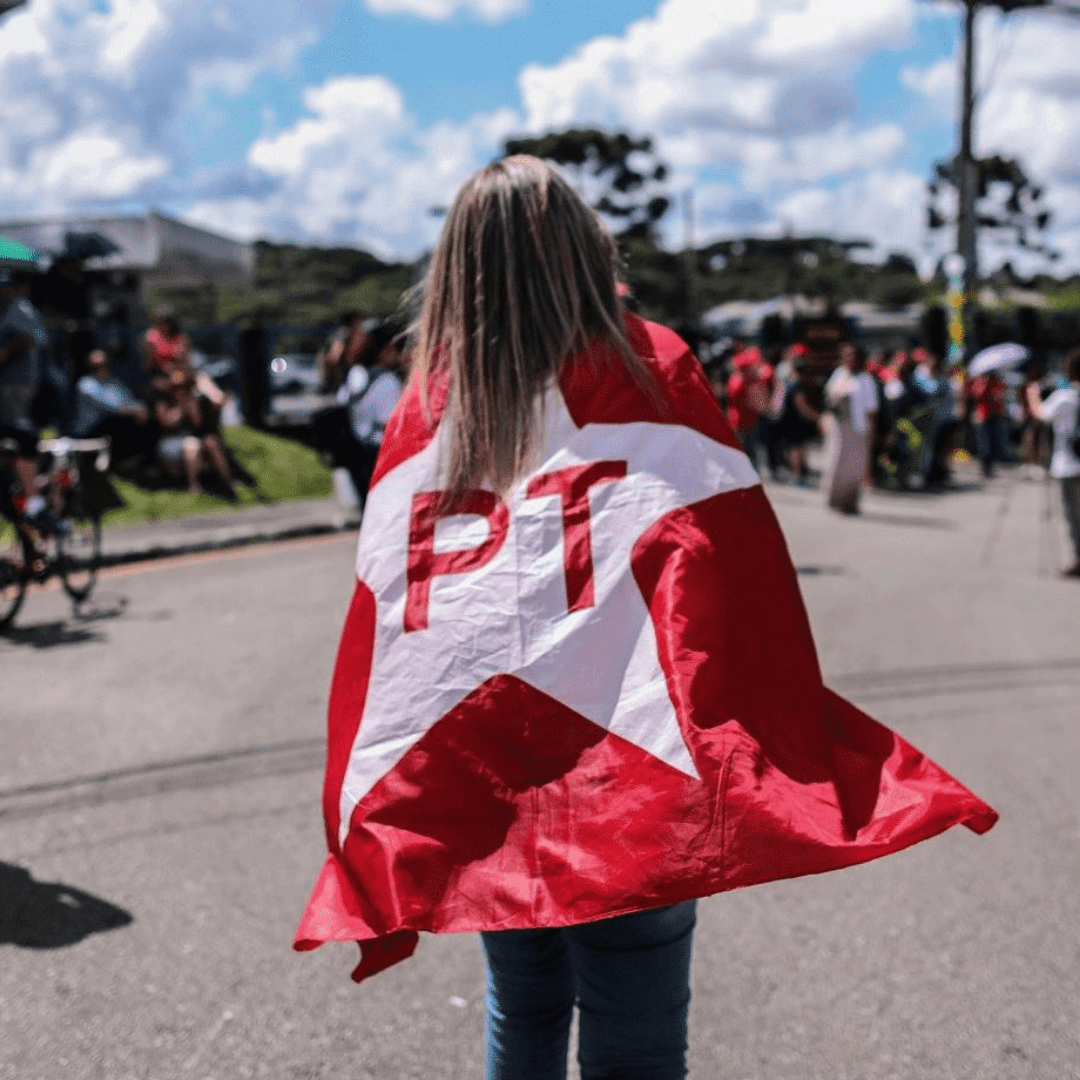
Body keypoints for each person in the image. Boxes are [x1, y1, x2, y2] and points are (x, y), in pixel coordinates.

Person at [293, 157, 999, 1080]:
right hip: (630, 766)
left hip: (483, 768)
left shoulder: (430, 402)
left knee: (523, 1000)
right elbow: (724, 561)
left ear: (458, 266)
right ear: (587, 254)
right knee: (638, 1029)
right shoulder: (647, 362)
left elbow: (390, 612)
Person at [0, 270, 50, 558]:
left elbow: (36, 338)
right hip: (8, 382)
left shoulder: (21, 309)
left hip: (19, 381)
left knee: (17, 430)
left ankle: (33, 499)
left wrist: (7, 352)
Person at [1025, 348, 1080, 577]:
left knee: (1071, 515)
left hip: (1067, 463)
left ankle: (1076, 559)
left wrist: (1032, 394)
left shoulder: (1064, 397)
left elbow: (1040, 414)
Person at [71, 348, 156, 466]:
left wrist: (142, 410)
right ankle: (122, 459)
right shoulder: (85, 384)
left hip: (109, 426)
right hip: (88, 431)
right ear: (89, 367)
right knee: (117, 419)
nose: (100, 368)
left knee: (149, 419)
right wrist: (136, 411)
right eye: (95, 366)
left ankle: (144, 461)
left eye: (103, 364)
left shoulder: (114, 384)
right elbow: (110, 408)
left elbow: (130, 400)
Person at [822, 342, 877, 514]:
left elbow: (871, 409)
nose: (849, 360)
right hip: (838, 427)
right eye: (846, 356)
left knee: (855, 466)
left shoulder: (866, 380)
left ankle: (851, 502)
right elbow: (828, 397)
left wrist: (872, 432)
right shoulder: (839, 374)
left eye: (853, 356)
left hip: (858, 428)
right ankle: (836, 499)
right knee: (836, 463)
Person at [725, 346, 774, 472]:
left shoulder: (744, 380)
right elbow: (757, 403)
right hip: (740, 423)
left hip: (749, 422)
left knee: (749, 452)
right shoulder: (740, 383)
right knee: (742, 453)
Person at [142, 305, 191, 376]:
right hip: (157, 373)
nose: (164, 325)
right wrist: (164, 366)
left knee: (202, 379)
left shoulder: (180, 337)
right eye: (161, 321)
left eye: (167, 321)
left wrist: (174, 366)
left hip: (178, 372)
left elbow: (184, 360)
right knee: (177, 380)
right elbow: (149, 363)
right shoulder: (152, 336)